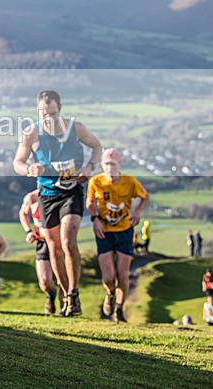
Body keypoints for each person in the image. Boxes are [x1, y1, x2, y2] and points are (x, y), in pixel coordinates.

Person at [13, 89, 102, 317]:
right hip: (46, 193)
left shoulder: (76, 128)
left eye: (52, 113)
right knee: (53, 246)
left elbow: (97, 147)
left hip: (71, 191)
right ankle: (65, 296)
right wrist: (29, 169)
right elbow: (18, 162)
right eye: (43, 113)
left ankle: (74, 292)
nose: (48, 118)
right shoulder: (31, 133)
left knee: (68, 237)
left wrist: (89, 167)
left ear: (59, 110)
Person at [87, 148, 150, 323]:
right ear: (101, 165)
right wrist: (95, 219)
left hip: (124, 230)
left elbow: (145, 197)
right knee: (108, 277)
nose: (109, 168)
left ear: (119, 165)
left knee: (123, 275)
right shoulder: (96, 182)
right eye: (106, 164)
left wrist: (137, 212)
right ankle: (109, 294)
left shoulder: (129, 182)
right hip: (104, 232)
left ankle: (120, 310)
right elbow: (90, 202)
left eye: (112, 164)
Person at [18, 189, 63, 314]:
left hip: (59, 243)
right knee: (44, 282)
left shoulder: (61, 196)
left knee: (62, 279)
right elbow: (23, 213)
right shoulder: (32, 198)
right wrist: (28, 231)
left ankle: (65, 307)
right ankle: (50, 294)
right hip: (42, 242)